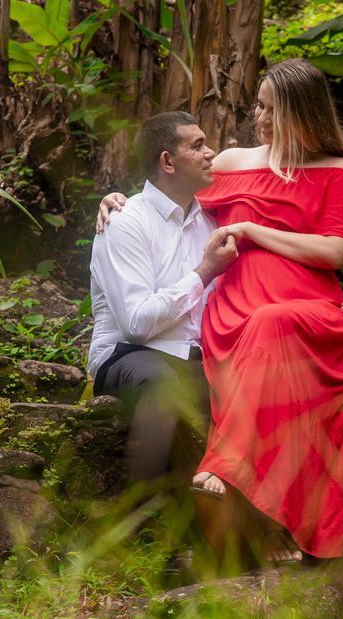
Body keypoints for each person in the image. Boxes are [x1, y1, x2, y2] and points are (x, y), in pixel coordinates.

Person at [98, 59, 343, 565]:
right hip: (234, 311)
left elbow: (334, 252)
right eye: (258, 106)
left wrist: (255, 232)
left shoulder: (337, 171)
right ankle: (259, 528)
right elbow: (168, 189)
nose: (259, 118)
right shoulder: (232, 163)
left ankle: (225, 467)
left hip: (306, 307)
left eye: (271, 108)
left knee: (276, 325)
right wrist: (116, 202)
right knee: (263, 330)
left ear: (302, 111)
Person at [88, 111, 236, 488]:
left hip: (199, 359)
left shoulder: (213, 222)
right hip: (131, 357)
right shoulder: (125, 220)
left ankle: (286, 524)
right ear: (167, 161)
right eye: (198, 145)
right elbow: (137, 325)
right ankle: (164, 522)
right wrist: (203, 272)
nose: (211, 154)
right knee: (163, 386)